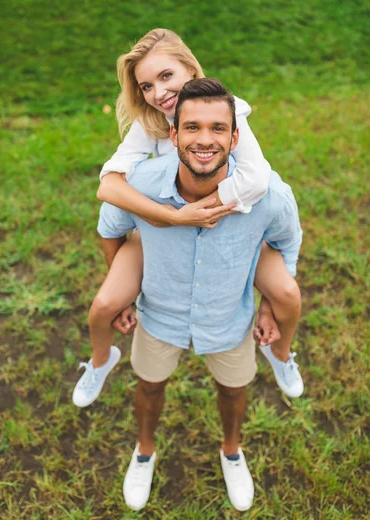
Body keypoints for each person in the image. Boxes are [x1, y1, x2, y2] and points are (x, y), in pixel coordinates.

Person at [97, 78, 303, 511]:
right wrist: (126, 293)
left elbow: (288, 242)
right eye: (191, 128)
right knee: (149, 387)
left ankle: (231, 451)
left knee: (234, 390)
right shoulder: (140, 185)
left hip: (229, 319)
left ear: (235, 136)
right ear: (173, 135)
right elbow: (111, 229)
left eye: (216, 128)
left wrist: (269, 303)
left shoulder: (268, 196)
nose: (204, 140)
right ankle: (144, 452)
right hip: (158, 316)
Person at [72, 28, 302, 408]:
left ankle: (281, 355)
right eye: (146, 86)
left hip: (230, 228)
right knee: (104, 305)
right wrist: (175, 215)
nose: (158, 93)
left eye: (166, 77)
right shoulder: (152, 124)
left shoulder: (227, 109)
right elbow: (108, 187)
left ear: (191, 70)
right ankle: (101, 360)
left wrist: (209, 204)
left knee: (287, 295)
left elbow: (257, 180)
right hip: (163, 231)